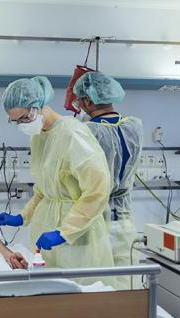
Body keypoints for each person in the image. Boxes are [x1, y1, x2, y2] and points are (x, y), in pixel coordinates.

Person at [0, 76, 114, 280]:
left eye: (23, 118)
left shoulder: (73, 134)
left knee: (82, 296)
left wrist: (65, 232)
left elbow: (98, 191)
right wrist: (22, 217)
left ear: (38, 107)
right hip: (47, 230)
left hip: (78, 237)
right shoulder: (39, 136)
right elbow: (44, 189)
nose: (21, 125)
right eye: (15, 121)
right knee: (53, 294)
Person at [73, 71, 144, 289]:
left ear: (87, 100)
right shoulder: (134, 127)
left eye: (80, 100)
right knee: (126, 285)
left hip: (93, 222)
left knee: (94, 287)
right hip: (124, 220)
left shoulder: (84, 132)